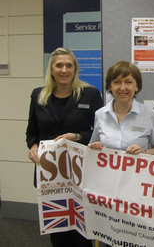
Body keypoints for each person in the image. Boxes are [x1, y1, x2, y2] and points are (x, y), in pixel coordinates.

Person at [26, 47, 103, 247]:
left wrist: (76, 136)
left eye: (69, 65)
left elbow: (100, 133)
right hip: (51, 175)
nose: (64, 70)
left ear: (75, 69)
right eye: (59, 65)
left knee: (82, 230)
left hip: (80, 172)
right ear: (51, 69)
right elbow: (32, 132)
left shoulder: (90, 94)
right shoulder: (38, 96)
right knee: (58, 230)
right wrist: (33, 147)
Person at [89, 61, 154, 155]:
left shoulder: (149, 114)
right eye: (117, 82)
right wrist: (96, 147)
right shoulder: (100, 114)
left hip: (137, 169)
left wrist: (143, 152)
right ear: (110, 86)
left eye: (128, 82)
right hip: (107, 169)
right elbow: (93, 146)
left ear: (136, 86)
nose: (122, 88)